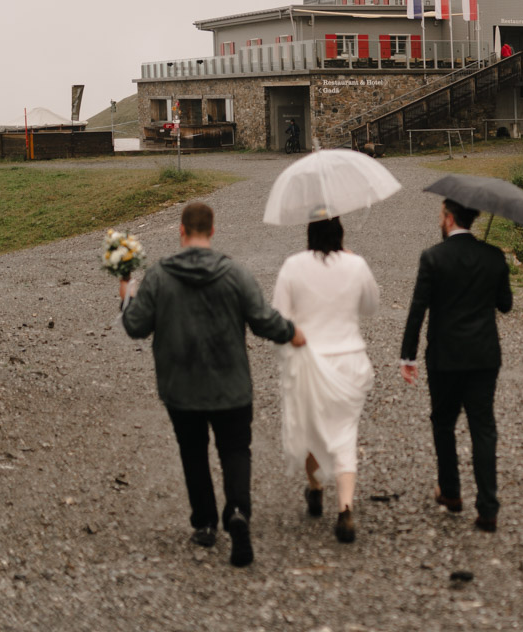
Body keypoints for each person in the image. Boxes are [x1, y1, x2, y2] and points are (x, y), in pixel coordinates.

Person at [119, 201, 306, 568]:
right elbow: (262, 319)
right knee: (235, 450)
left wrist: (127, 294)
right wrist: (291, 332)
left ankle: (205, 523)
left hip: (180, 386)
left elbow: (135, 327)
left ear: (181, 231)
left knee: (193, 452)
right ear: (213, 230)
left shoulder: (158, 276)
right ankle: (237, 511)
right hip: (231, 383)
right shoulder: (235, 273)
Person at [399, 198, 513, 532]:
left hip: (444, 357)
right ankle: (488, 508)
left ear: (449, 219)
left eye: (440, 215)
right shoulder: (493, 256)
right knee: (483, 428)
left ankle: (450, 491)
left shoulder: (433, 258)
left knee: (443, 422)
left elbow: (418, 310)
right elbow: (505, 304)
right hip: (484, 356)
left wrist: (408, 356)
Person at [270, 217, 379, 544]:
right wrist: (353, 265)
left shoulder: (293, 266)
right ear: (341, 234)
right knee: (345, 432)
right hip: (349, 362)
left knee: (310, 429)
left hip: (309, 361)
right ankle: (345, 507)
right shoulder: (356, 264)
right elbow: (371, 306)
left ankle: (316, 487)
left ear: (309, 234)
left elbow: (279, 317)